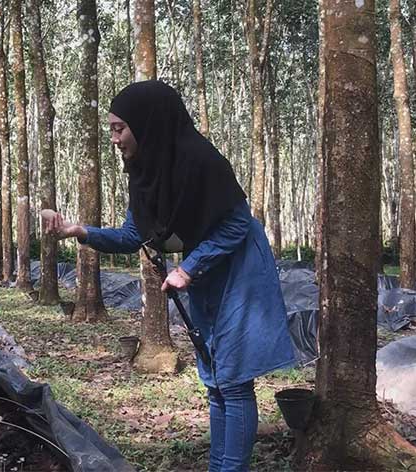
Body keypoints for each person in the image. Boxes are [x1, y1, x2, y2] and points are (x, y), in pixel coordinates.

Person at [45, 80, 295, 472]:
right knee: (213, 377)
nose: (114, 138)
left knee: (232, 379)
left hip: (239, 267)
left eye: (118, 128)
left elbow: (236, 226)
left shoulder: (201, 160)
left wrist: (187, 269)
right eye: (111, 128)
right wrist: (79, 231)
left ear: (147, 123)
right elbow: (133, 235)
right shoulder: (144, 171)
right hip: (203, 270)